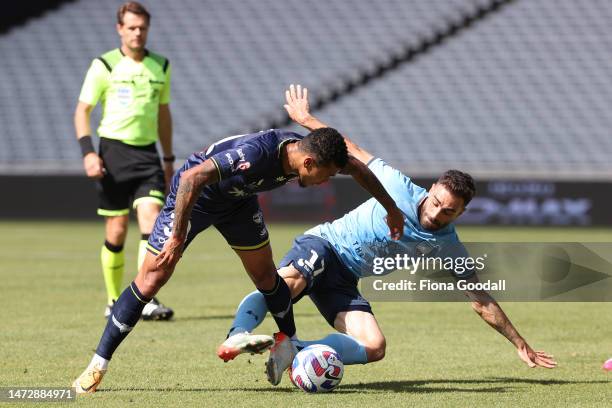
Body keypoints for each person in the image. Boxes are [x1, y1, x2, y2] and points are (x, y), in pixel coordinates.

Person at [71, 84, 405, 394]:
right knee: (152, 278)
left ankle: (288, 340)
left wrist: (390, 208)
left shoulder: (313, 152)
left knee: (266, 276)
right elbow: (191, 177)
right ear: (308, 162)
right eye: (326, 175)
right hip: (196, 197)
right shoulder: (256, 154)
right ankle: (97, 365)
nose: (326, 181)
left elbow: (359, 168)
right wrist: (176, 238)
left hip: (239, 202)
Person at [217, 86, 558, 386]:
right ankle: (238, 335)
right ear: (433, 188)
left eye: (448, 211)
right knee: (286, 286)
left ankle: (296, 349)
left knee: (374, 346)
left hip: (346, 278)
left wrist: (519, 343)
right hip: (326, 245)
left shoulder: (449, 245)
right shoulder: (397, 185)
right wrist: (307, 118)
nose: (437, 212)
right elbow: (349, 148)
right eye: (437, 201)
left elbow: (481, 301)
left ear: (461, 213)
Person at [74, 2, 174, 320]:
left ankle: (145, 298)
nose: (137, 33)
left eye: (142, 27)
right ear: (120, 29)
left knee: (152, 221)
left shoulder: (161, 65)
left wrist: (168, 157)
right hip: (113, 153)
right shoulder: (104, 65)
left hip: (147, 155)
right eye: (131, 27)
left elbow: (163, 114)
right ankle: (113, 298)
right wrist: (89, 152)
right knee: (116, 230)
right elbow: (82, 111)